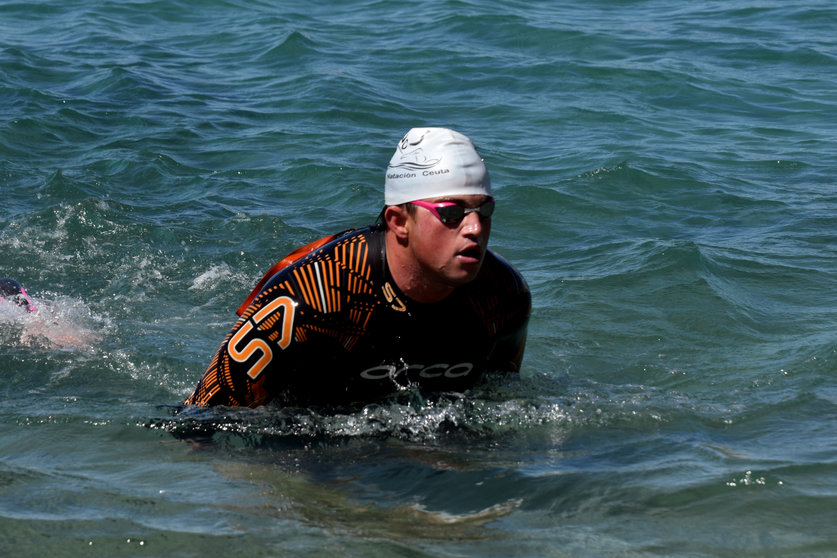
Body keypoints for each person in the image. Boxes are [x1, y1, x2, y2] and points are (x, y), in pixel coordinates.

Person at [184, 127, 530, 408]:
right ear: (398, 221)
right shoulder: (308, 297)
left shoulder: (504, 296)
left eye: (483, 212)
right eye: (451, 214)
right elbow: (201, 421)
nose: (474, 228)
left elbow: (498, 402)